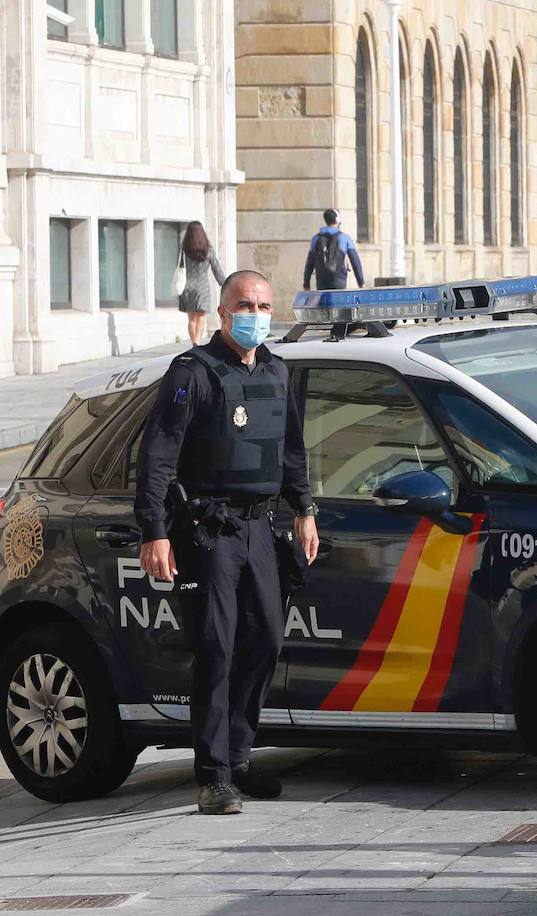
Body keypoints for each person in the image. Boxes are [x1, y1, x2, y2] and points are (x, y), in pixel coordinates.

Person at [136, 270, 320, 815]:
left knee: (265, 640)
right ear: (222, 312)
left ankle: (239, 754)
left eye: (264, 304)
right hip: (210, 531)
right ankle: (213, 775)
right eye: (245, 304)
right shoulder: (194, 373)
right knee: (216, 649)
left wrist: (305, 510)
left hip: (262, 527)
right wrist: (154, 531)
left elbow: (291, 452)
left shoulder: (276, 370)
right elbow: (157, 457)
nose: (256, 314)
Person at [177, 221, 226, 345]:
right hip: (202, 287)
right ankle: (198, 340)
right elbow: (216, 269)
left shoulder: (184, 250)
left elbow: (180, 267)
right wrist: (225, 283)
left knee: (191, 318)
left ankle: (194, 341)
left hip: (187, 287)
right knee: (201, 317)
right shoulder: (208, 250)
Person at [303, 208, 365, 291]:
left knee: (324, 303)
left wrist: (306, 284)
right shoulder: (344, 238)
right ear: (337, 220)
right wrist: (361, 282)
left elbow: (309, 263)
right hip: (339, 279)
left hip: (321, 280)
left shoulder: (316, 239)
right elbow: (355, 261)